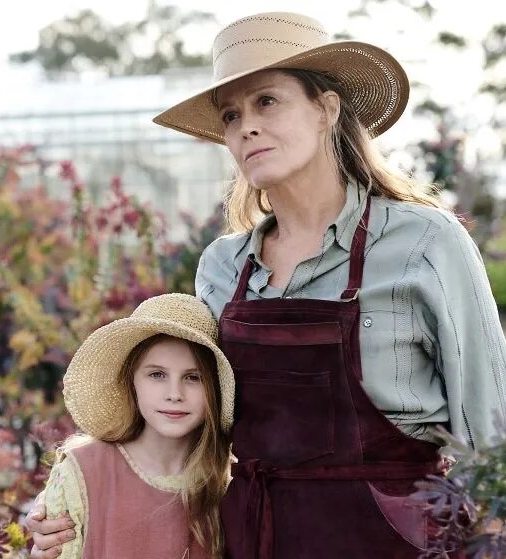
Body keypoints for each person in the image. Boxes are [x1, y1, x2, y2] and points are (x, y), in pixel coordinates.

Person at [26, 11, 506, 559]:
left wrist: (491, 538)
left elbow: (491, 427)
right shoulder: (223, 267)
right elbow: (183, 416)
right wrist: (76, 495)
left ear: (326, 110)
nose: (246, 126)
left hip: (396, 540)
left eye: (267, 102)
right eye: (232, 115)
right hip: (255, 537)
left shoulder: (424, 241)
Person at [40, 293, 232, 558]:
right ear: (132, 382)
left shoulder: (224, 482)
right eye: (157, 374)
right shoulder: (84, 471)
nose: (174, 393)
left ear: (215, 389)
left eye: (193, 377)